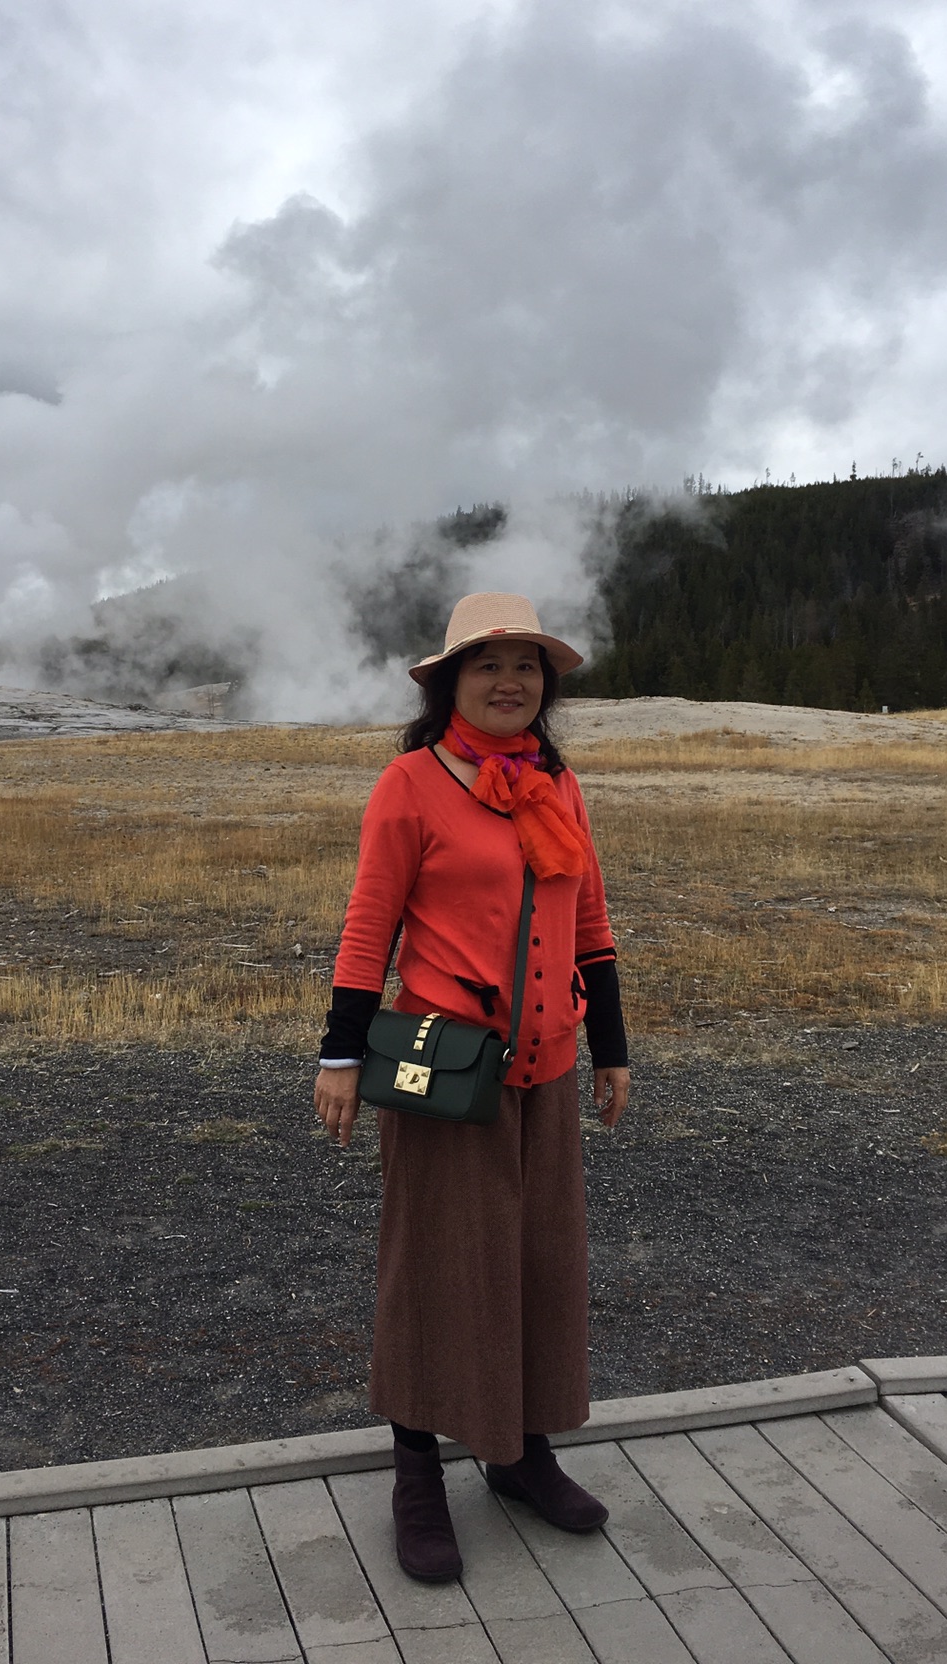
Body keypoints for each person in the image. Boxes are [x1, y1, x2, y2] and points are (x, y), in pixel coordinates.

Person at [314, 591, 631, 1583]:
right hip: (444, 1071)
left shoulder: (558, 785)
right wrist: (338, 1055)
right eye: (489, 665)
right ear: (449, 680)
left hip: (548, 1067)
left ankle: (520, 1454)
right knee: (438, 1272)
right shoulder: (410, 785)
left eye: (527, 666)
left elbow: (592, 925)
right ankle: (416, 1477)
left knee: (538, 1264)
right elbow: (371, 926)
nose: (511, 682)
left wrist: (611, 1047)